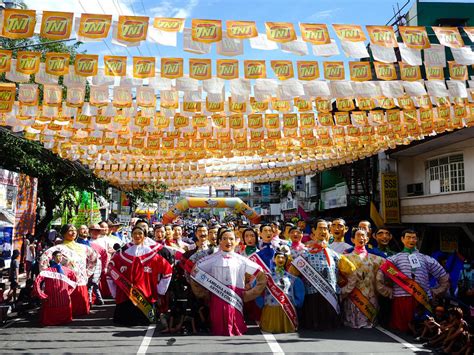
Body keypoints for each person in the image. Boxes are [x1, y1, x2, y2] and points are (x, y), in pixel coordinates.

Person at [190, 228, 267, 336]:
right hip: (217, 295)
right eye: (224, 239)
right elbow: (195, 273)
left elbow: (261, 275)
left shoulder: (241, 260)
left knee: (235, 318)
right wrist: (203, 294)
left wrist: (252, 293)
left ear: (236, 241)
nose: (228, 242)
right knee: (217, 320)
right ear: (220, 241)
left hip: (235, 294)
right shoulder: (211, 259)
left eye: (231, 239)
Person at [376, 229, 450, 332]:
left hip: (422, 298)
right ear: (402, 239)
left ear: (417, 240)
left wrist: (436, 291)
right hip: (401, 299)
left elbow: (443, 276)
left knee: (423, 327)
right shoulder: (394, 259)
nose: (411, 240)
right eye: (408, 237)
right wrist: (388, 292)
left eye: (414, 237)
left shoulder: (426, 259)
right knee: (402, 329)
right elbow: (380, 276)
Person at [289, 220, 356, 330]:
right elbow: (292, 273)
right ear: (313, 231)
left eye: (325, 229)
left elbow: (350, 269)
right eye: (320, 228)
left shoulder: (334, 254)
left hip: (330, 293)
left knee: (331, 325)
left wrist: (345, 288)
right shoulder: (305, 253)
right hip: (312, 293)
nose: (323, 231)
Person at [107, 225, 172, 326]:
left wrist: (160, 290)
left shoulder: (153, 256)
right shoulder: (121, 255)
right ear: (131, 235)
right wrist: (114, 292)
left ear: (145, 236)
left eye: (140, 233)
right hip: (125, 295)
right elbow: (110, 271)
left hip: (146, 297)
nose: (137, 236)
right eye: (135, 233)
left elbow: (168, 271)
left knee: (145, 321)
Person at [39, 224, 98, 316]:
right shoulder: (58, 248)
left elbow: (94, 258)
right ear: (63, 233)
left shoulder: (83, 247)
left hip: (81, 280)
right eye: (70, 230)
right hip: (66, 282)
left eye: (75, 230)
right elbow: (44, 258)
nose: (73, 232)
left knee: (81, 311)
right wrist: (49, 275)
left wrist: (88, 272)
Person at [341, 229, 386, 328]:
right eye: (358, 236)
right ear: (352, 240)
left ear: (367, 239)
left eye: (363, 236)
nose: (361, 238)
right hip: (353, 292)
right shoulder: (345, 258)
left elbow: (387, 270)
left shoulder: (376, 259)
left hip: (370, 292)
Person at [259, 245, 305, 333]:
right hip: (270, 307)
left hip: (287, 308)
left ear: (286, 260)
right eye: (278, 257)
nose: (281, 260)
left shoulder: (292, 278)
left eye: (283, 258)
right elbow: (257, 288)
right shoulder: (266, 276)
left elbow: (299, 290)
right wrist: (261, 302)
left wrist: (297, 302)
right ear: (274, 259)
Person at [34, 250, 77, 326]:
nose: (60, 258)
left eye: (61, 256)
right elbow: (37, 282)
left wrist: (68, 292)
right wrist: (41, 295)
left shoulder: (66, 270)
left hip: (63, 299)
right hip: (52, 299)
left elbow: (74, 281)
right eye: (58, 256)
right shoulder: (47, 271)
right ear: (53, 258)